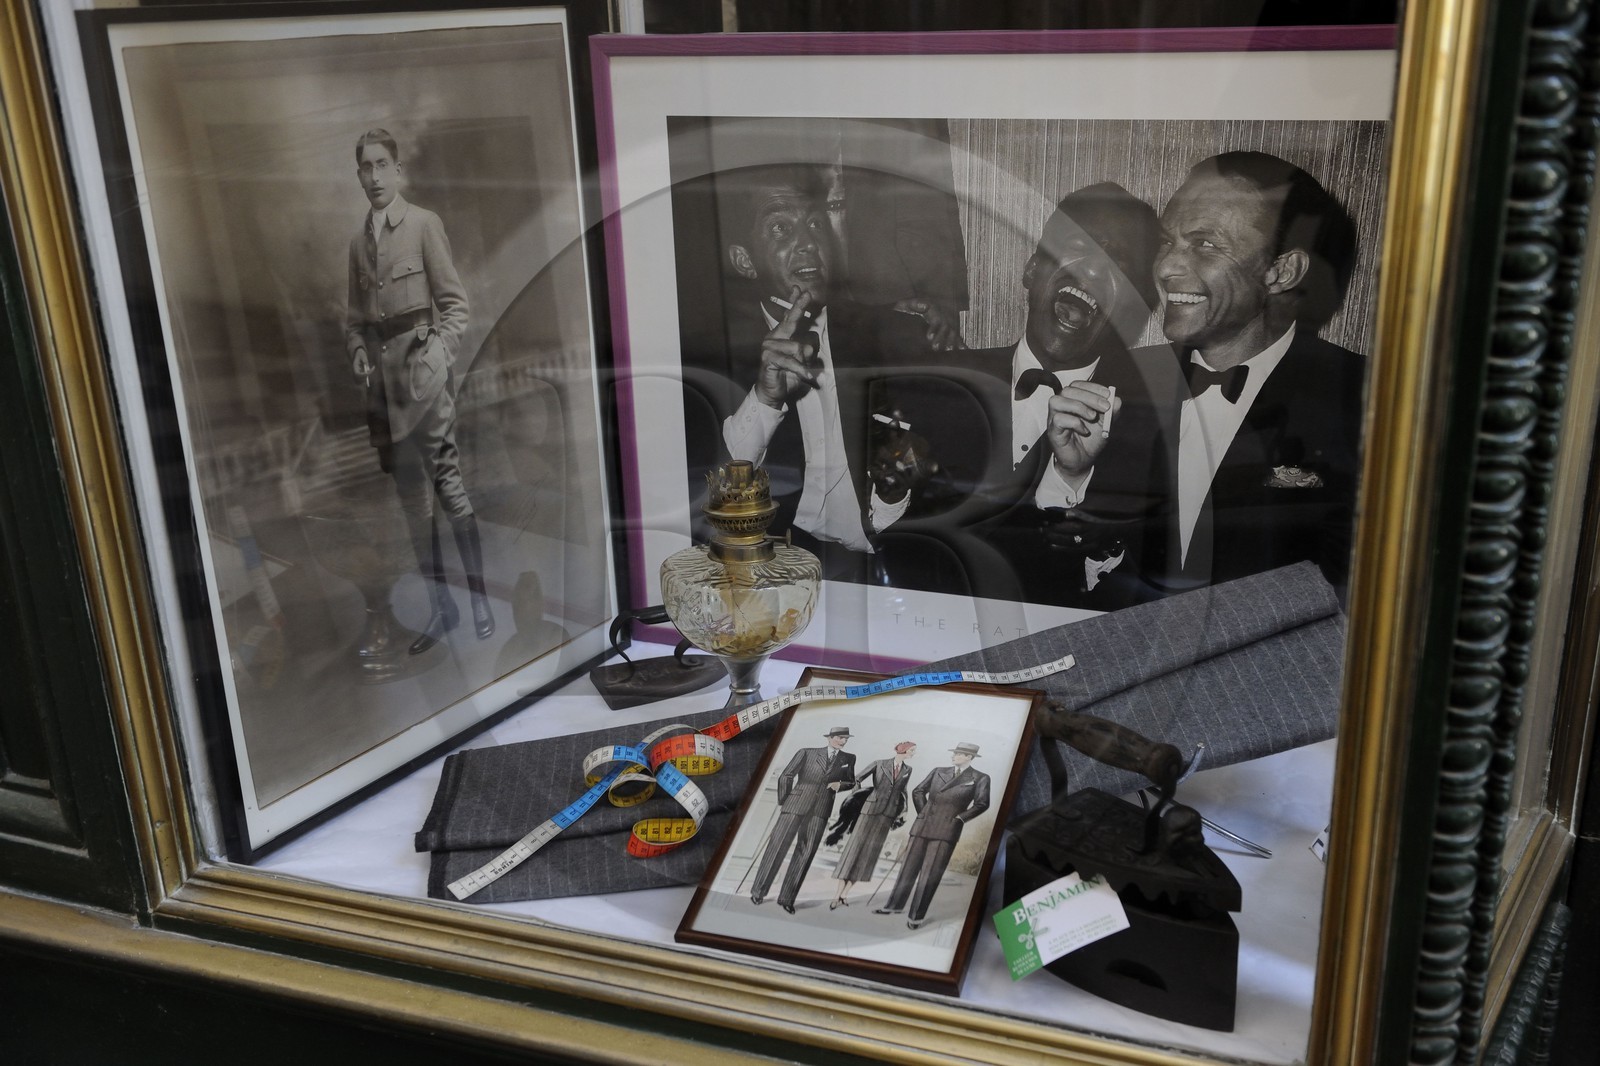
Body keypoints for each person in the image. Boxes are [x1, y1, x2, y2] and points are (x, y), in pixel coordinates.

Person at [902, 183, 1165, 607]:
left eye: (1117, 265)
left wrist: (1070, 477)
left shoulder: (1154, 424)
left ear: (1130, 310)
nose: (1093, 271)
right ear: (1031, 270)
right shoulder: (940, 383)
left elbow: (1138, 591)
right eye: (1077, 246)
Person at [689, 164, 944, 581]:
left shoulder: (890, 334)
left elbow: (925, 477)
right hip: (779, 572)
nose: (808, 243)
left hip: (888, 562)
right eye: (780, 230)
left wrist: (895, 493)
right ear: (744, 260)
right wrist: (766, 400)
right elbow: (710, 503)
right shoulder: (711, 362)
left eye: (814, 224)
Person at [1134, 151, 1366, 599]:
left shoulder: (1368, 404)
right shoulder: (1117, 382)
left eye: (1205, 243)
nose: (1165, 268)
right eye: (1167, 241)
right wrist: (1070, 477)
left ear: (1281, 271)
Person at [344, 127, 494, 653]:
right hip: (385, 396)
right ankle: (442, 609)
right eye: (366, 167)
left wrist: (437, 357)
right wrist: (360, 351)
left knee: (449, 488)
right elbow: (356, 323)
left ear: (399, 171)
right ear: (358, 176)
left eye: (383, 164)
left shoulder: (425, 225)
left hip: (425, 384)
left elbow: (456, 306)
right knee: (413, 504)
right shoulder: (358, 245)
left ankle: (477, 599)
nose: (376, 175)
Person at [874, 742, 990, 929]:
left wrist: (960, 818)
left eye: (959, 753)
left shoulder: (980, 778)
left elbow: (982, 804)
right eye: (955, 753)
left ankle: (915, 917)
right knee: (907, 869)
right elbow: (918, 791)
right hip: (923, 826)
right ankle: (893, 906)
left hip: (946, 830)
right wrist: (923, 813)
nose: (954, 756)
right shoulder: (938, 771)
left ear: (969, 757)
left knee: (929, 875)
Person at [749, 726, 857, 914]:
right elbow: (786, 775)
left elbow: (851, 781)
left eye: (846, 739)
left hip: (821, 809)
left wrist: (840, 785)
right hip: (795, 805)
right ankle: (758, 892)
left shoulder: (848, 759)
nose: (843, 741)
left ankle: (787, 899)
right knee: (777, 846)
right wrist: (785, 801)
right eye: (840, 737)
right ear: (830, 737)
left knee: (806, 852)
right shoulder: (806, 752)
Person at [829, 741, 916, 910]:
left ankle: (845, 894)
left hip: (887, 816)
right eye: (912, 751)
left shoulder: (908, 770)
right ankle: (836, 895)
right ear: (903, 751)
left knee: (868, 855)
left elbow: (903, 790)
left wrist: (905, 810)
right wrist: (857, 799)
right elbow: (857, 779)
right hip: (869, 812)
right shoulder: (879, 764)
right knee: (853, 851)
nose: (913, 754)